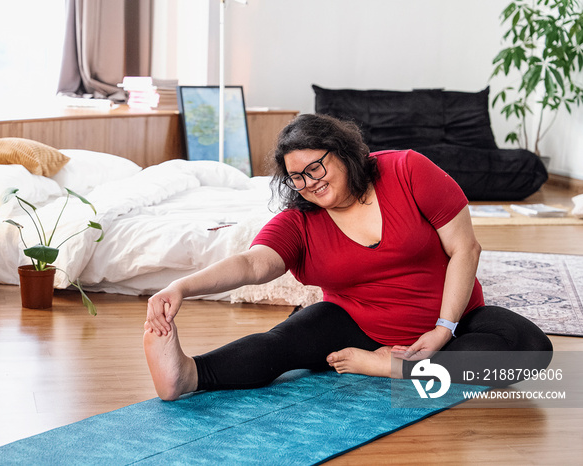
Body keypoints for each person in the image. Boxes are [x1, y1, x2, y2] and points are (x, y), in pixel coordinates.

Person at [143, 113, 553, 401]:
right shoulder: (299, 220)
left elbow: (466, 248)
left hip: (453, 319)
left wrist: (443, 330)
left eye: (316, 167)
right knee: (280, 345)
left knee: (532, 348)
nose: (309, 183)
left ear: (343, 152)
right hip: (354, 323)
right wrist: (181, 286)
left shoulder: (409, 171)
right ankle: (187, 375)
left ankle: (393, 367)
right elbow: (253, 264)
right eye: (297, 177)